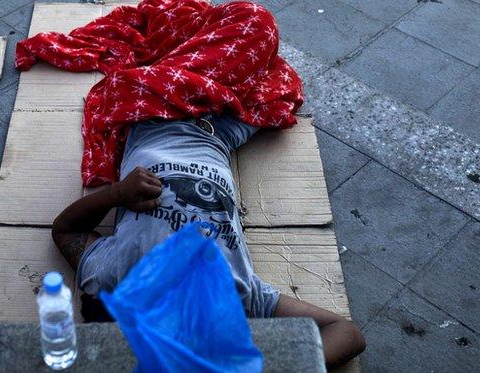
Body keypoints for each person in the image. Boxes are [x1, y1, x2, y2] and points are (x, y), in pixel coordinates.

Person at [51, 113, 366, 368]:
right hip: (218, 133)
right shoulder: (239, 299)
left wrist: (117, 194)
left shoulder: (116, 277)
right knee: (262, 51)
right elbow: (346, 333)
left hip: (149, 119)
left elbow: (65, 230)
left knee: (162, 42)